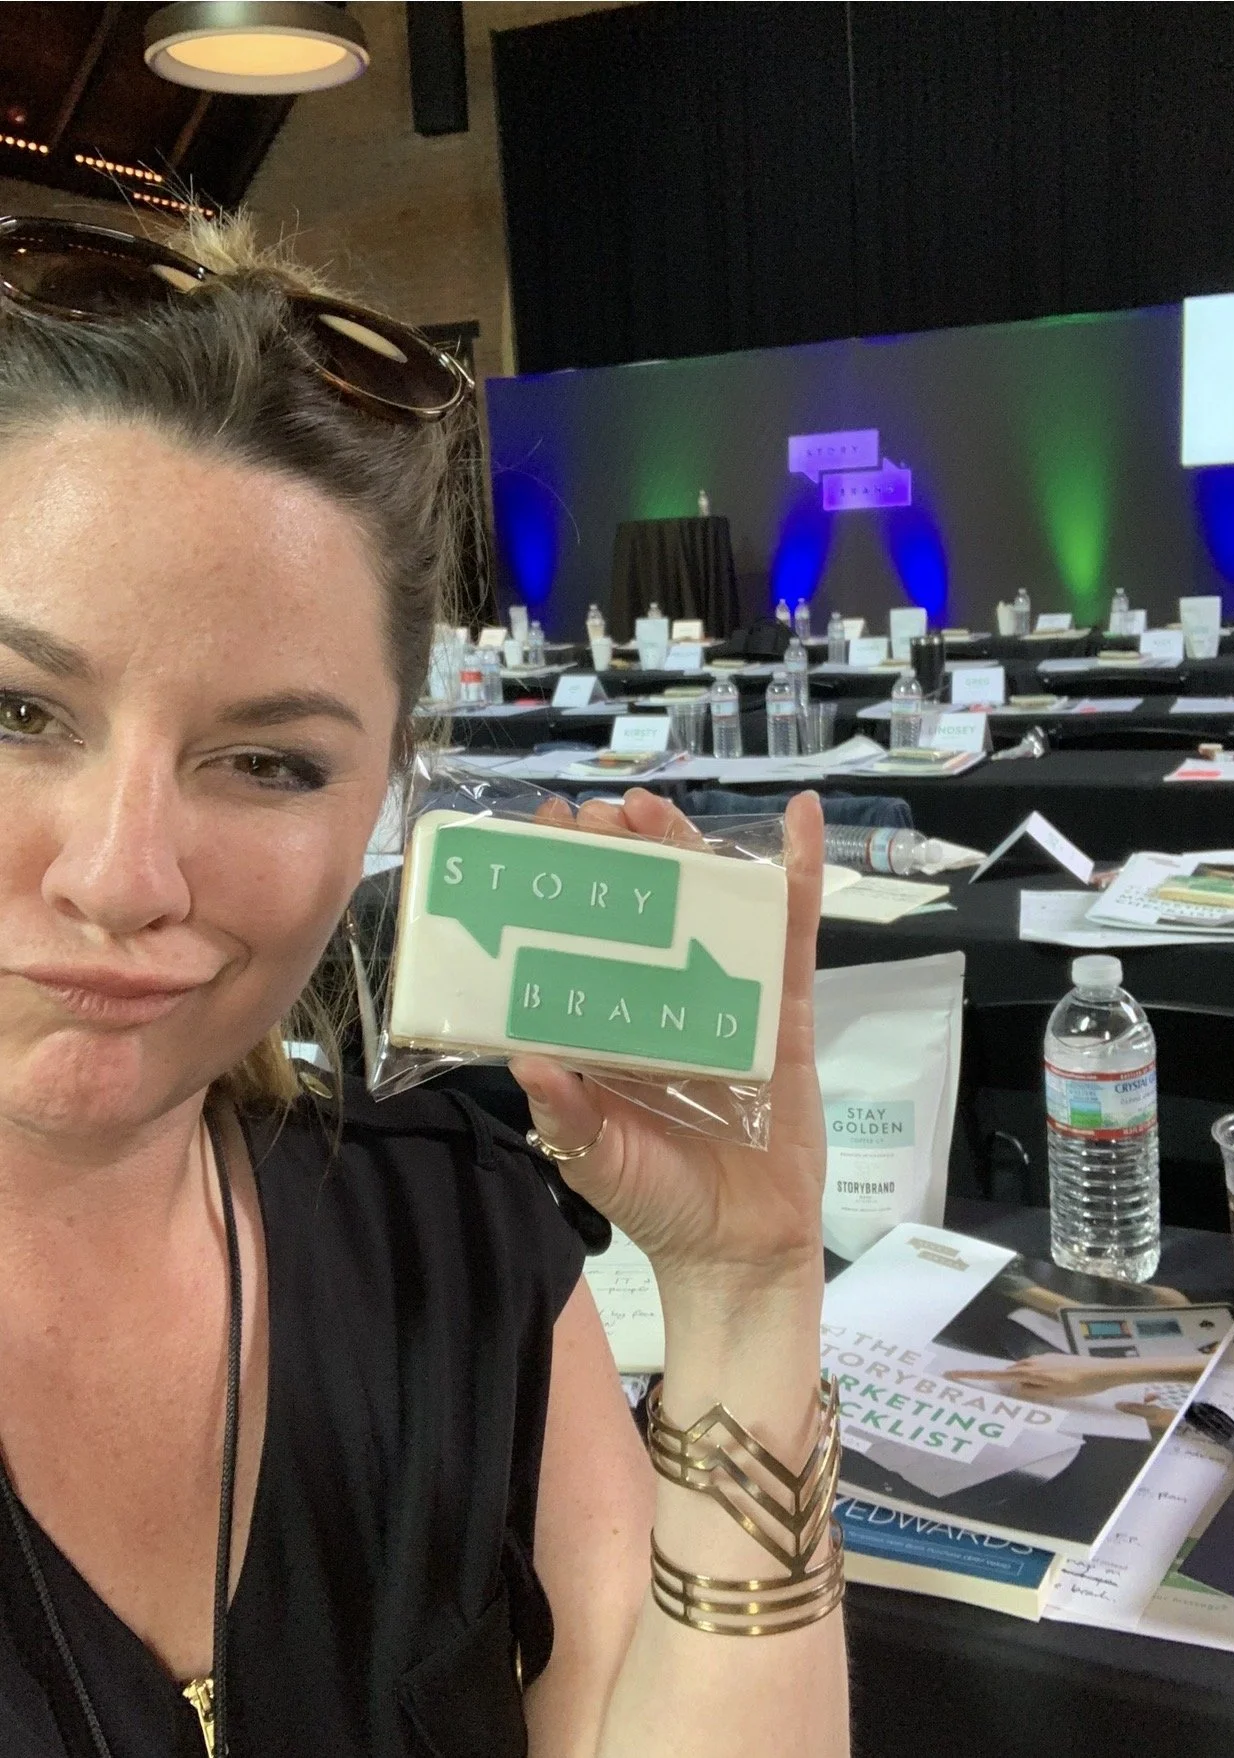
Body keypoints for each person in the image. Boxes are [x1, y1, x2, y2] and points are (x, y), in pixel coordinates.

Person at [0, 215, 849, 1757]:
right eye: (16, 709)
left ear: (389, 790)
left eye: (268, 761)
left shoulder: (453, 1242)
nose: (124, 876)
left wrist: (744, 1297)